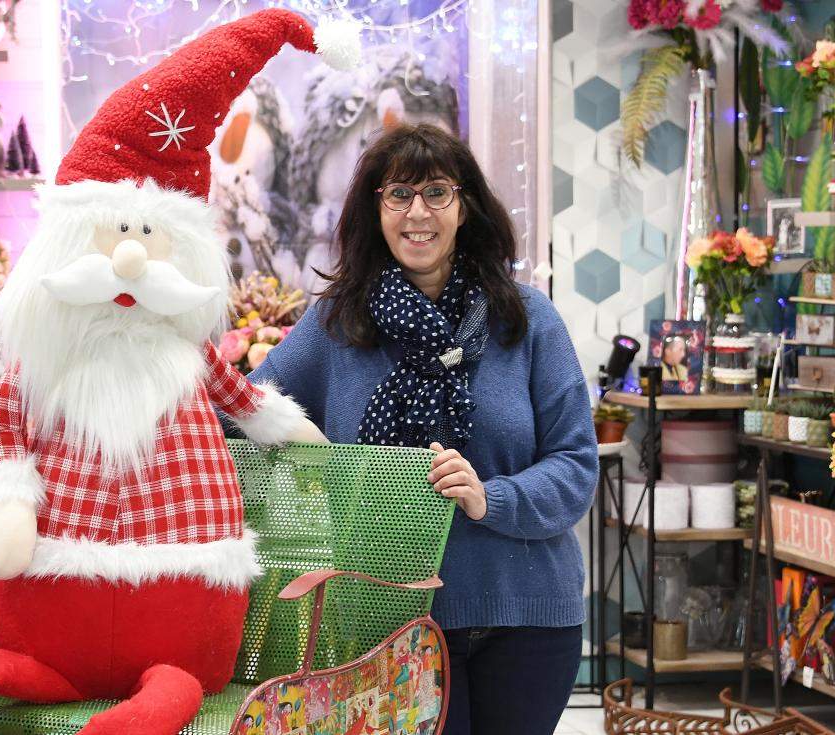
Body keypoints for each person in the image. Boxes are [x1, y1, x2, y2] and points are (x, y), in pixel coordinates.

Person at [249, 123, 597, 735]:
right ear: (374, 210)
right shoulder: (338, 324)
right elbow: (244, 410)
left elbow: (575, 466)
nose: (419, 212)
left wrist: (492, 496)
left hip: (525, 616)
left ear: (465, 208)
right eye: (399, 194)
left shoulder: (527, 319)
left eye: (437, 192)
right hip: (388, 621)